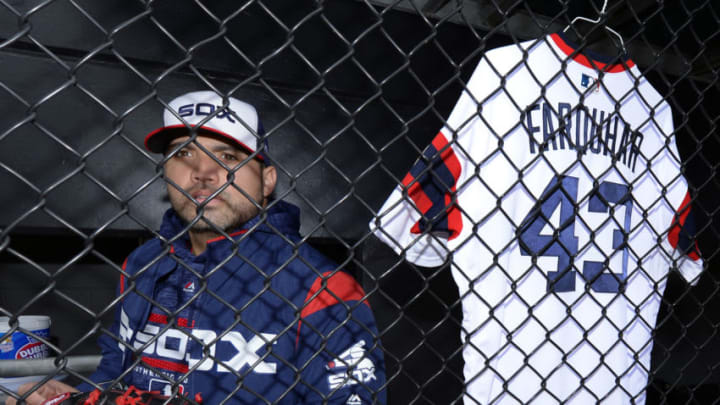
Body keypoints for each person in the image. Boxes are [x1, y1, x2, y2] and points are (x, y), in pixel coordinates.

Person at [9, 91, 385, 405]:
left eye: (228, 156)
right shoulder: (142, 264)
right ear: (165, 172)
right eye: (183, 153)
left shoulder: (324, 286)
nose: (203, 172)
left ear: (267, 180)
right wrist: (79, 397)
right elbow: (116, 371)